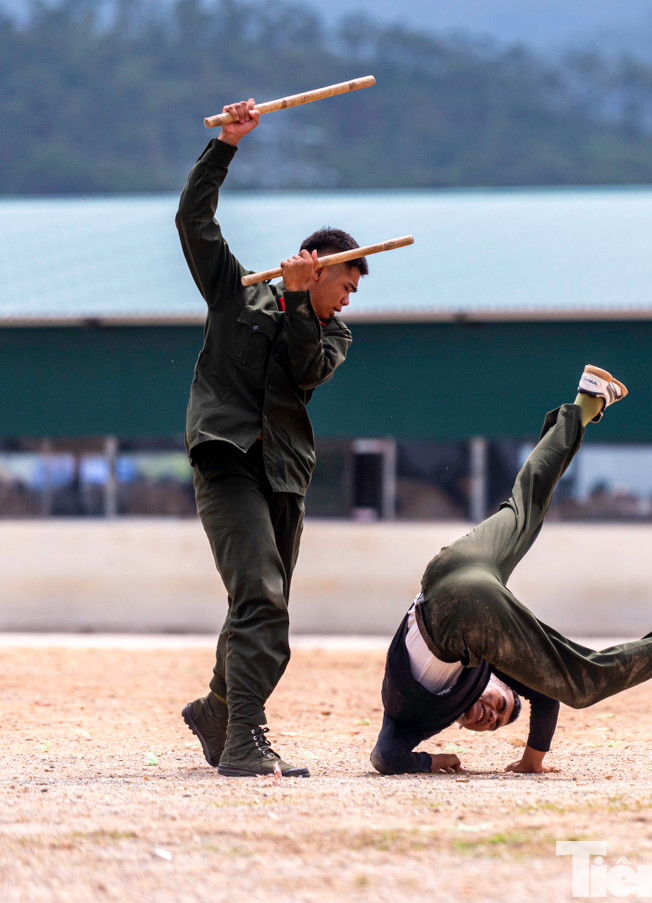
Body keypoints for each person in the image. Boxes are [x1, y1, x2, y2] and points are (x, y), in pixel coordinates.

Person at [369, 366, 652, 775]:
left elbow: (384, 757)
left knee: (582, 679)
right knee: (524, 503)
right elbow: (546, 698)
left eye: (494, 712)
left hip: (455, 595)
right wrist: (532, 761)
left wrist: (434, 760)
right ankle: (583, 404)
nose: (491, 714)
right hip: (452, 576)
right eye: (501, 714)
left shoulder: (422, 716)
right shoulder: (484, 668)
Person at [177, 99, 368, 778]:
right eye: (343, 285)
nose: (346, 300)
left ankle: (218, 708)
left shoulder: (332, 335)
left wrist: (298, 307)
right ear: (317, 267)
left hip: (283, 475)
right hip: (227, 460)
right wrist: (227, 142)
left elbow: (302, 369)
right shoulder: (236, 294)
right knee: (261, 595)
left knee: (258, 603)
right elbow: (193, 221)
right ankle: (244, 740)